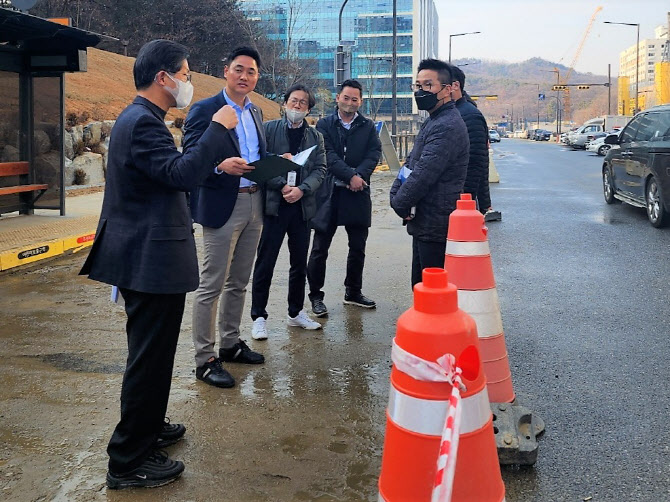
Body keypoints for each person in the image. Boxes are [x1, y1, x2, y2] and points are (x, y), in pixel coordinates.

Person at [80, 39, 238, 488]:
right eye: (185, 75)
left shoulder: (144, 119)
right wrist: (217, 129)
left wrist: (215, 164)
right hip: (149, 260)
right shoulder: (142, 122)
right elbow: (179, 174)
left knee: (153, 354)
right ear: (163, 78)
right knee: (148, 359)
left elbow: (172, 172)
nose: (188, 83)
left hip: (151, 257)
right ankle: (128, 459)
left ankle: (148, 427)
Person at [184, 46, 266, 389]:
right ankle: (205, 359)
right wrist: (219, 166)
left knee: (240, 281)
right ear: (225, 71)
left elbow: (256, 154)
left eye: (251, 71)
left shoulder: (257, 112)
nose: (244, 76)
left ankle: (230, 344)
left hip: (254, 202)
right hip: (222, 204)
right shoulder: (205, 110)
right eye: (238, 69)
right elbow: (188, 159)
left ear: (257, 76)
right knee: (211, 284)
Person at [250, 84, 327, 339]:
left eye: (303, 103)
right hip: (274, 205)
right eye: (293, 101)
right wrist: (282, 184)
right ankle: (258, 316)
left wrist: (303, 190)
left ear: (308, 108)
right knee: (266, 262)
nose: (297, 106)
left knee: (298, 263)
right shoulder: (270, 129)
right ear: (284, 103)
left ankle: (296, 312)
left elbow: (321, 170)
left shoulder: (315, 137)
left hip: (302, 208)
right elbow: (259, 163)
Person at [389, 58, 470, 288]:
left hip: (436, 222)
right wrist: (397, 192)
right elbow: (411, 163)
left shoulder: (447, 125)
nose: (421, 91)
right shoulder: (434, 120)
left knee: (431, 289)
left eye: (428, 85)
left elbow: (424, 174)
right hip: (425, 220)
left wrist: (399, 203)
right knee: (420, 284)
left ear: (447, 89)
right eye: (418, 85)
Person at [307, 79, 382, 317]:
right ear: (338, 98)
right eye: (346, 97)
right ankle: (316, 297)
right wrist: (351, 175)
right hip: (329, 192)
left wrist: (360, 176)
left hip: (358, 193)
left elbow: (374, 152)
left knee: (358, 246)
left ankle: (353, 292)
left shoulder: (367, 126)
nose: (350, 103)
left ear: (360, 101)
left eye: (355, 99)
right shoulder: (324, 124)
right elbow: (326, 154)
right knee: (320, 248)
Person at [450, 66, 501, 222]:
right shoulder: (447, 113)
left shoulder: (470, 115)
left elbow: (477, 164)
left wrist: (468, 205)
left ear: (455, 85)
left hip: (459, 202)